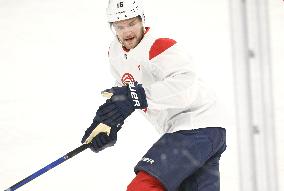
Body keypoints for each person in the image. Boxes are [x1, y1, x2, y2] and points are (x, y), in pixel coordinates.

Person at [81, 0, 227, 190]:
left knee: (142, 187)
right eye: (120, 26)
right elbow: (122, 90)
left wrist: (137, 96)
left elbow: (185, 87)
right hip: (204, 134)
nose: (127, 31)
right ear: (112, 28)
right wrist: (107, 124)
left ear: (142, 20)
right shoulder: (115, 53)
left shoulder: (159, 46)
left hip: (195, 127)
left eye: (132, 23)